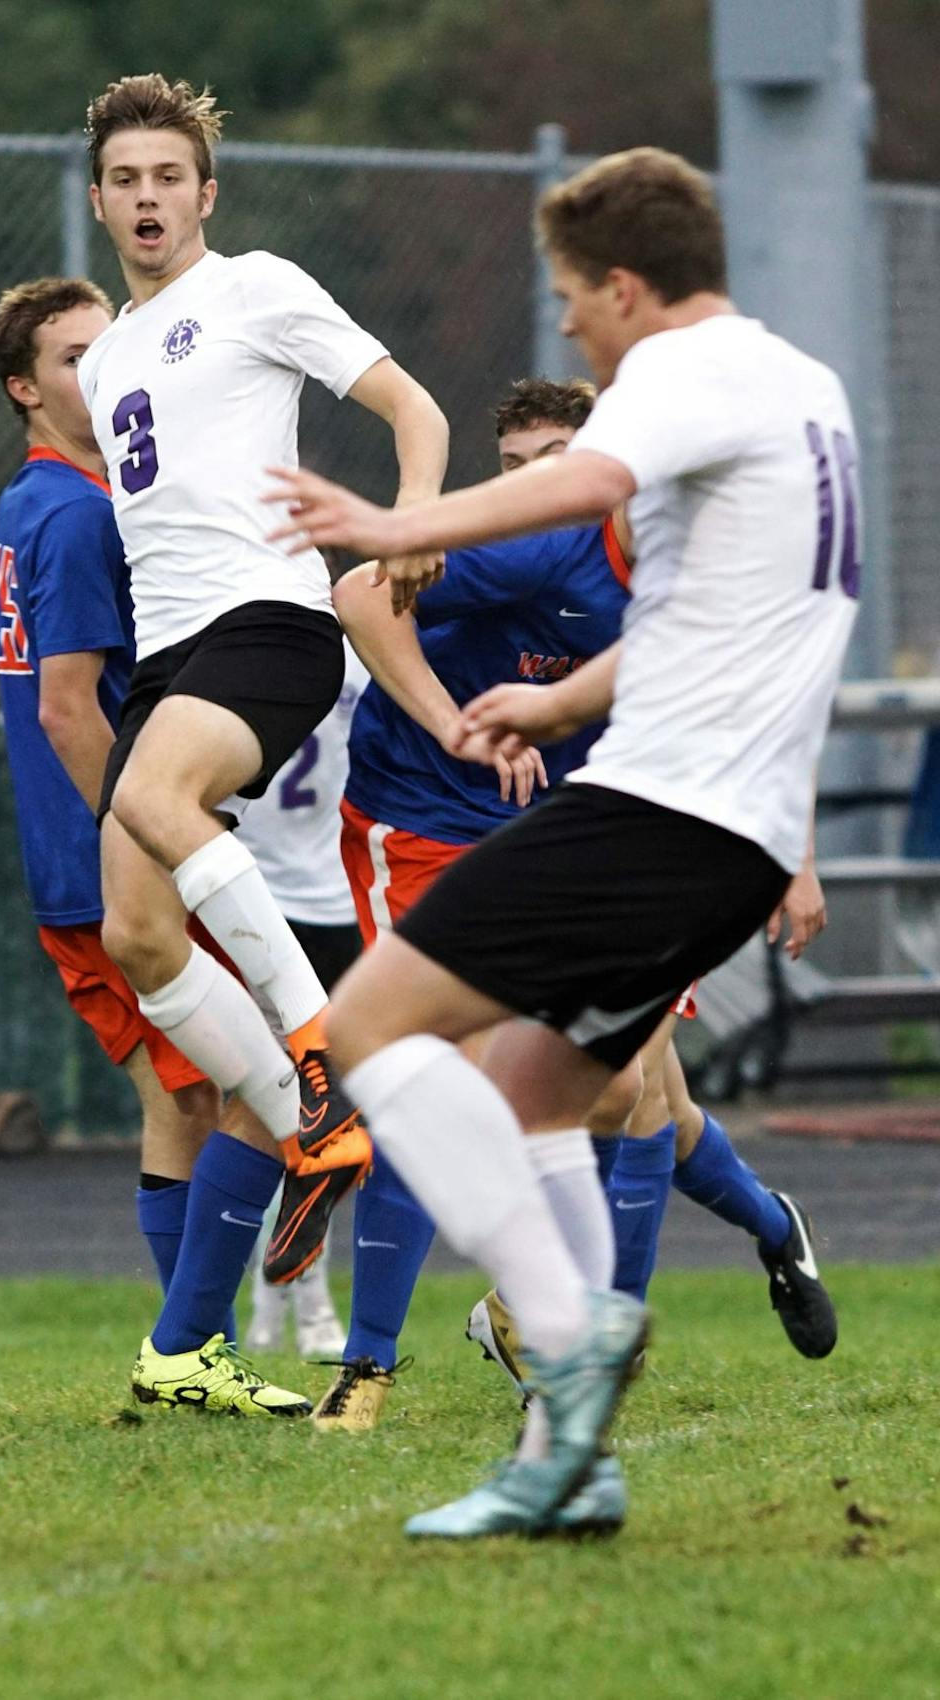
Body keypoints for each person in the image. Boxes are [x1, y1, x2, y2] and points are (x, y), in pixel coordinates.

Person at [268, 148, 862, 1538]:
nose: (571, 331)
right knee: (541, 1100)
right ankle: (569, 1459)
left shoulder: (676, 368)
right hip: (735, 829)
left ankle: (568, 1332)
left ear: (629, 286)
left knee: (366, 1029)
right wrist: (564, 695)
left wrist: (394, 521)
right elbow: (730, 613)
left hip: (659, 812)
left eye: (572, 301)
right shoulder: (807, 388)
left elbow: (581, 481)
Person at [306, 378, 835, 1438]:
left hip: (596, 837)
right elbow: (363, 592)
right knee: (424, 1073)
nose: (537, 484)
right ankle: (370, 1364)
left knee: (644, 1099)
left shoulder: (689, 557)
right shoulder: (530, 541)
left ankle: (675, 1284)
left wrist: (798, 853)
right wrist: (458, 722)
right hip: (425, 823)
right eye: (514, 468)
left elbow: (760, 698)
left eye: (562, 458)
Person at [71, 73, 450, 1408]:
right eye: (124, 179)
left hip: (269, 626)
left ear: (206, 193)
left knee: (166, 804)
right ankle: (187, 1342)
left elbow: (417, 413)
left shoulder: (258, 289)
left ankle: (315, 1063)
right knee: (135, 932)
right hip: (172, 655)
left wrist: (409, 525)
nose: (147, 197)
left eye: (168, 177)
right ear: (100, 198)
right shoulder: (109, 352)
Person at [0, 273, 308, 1415]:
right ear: (25, 388)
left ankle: (195, 1351)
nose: (97, 369)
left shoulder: (40, 503)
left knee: (180, 1102)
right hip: (107, 864)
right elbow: (72, 707)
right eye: (70, 357)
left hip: (75, 862)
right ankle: (188, 1347)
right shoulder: (73, 512)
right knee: (267, 1093)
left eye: (103, 345)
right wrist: (151, 834)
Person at [232, 647, 370, 1360]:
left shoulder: (250, 647)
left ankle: (281, 1307)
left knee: (291, 1120)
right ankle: (299, 1308)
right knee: (314, 1121)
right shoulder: (355, 656)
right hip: (314, 904)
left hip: (269, 905)